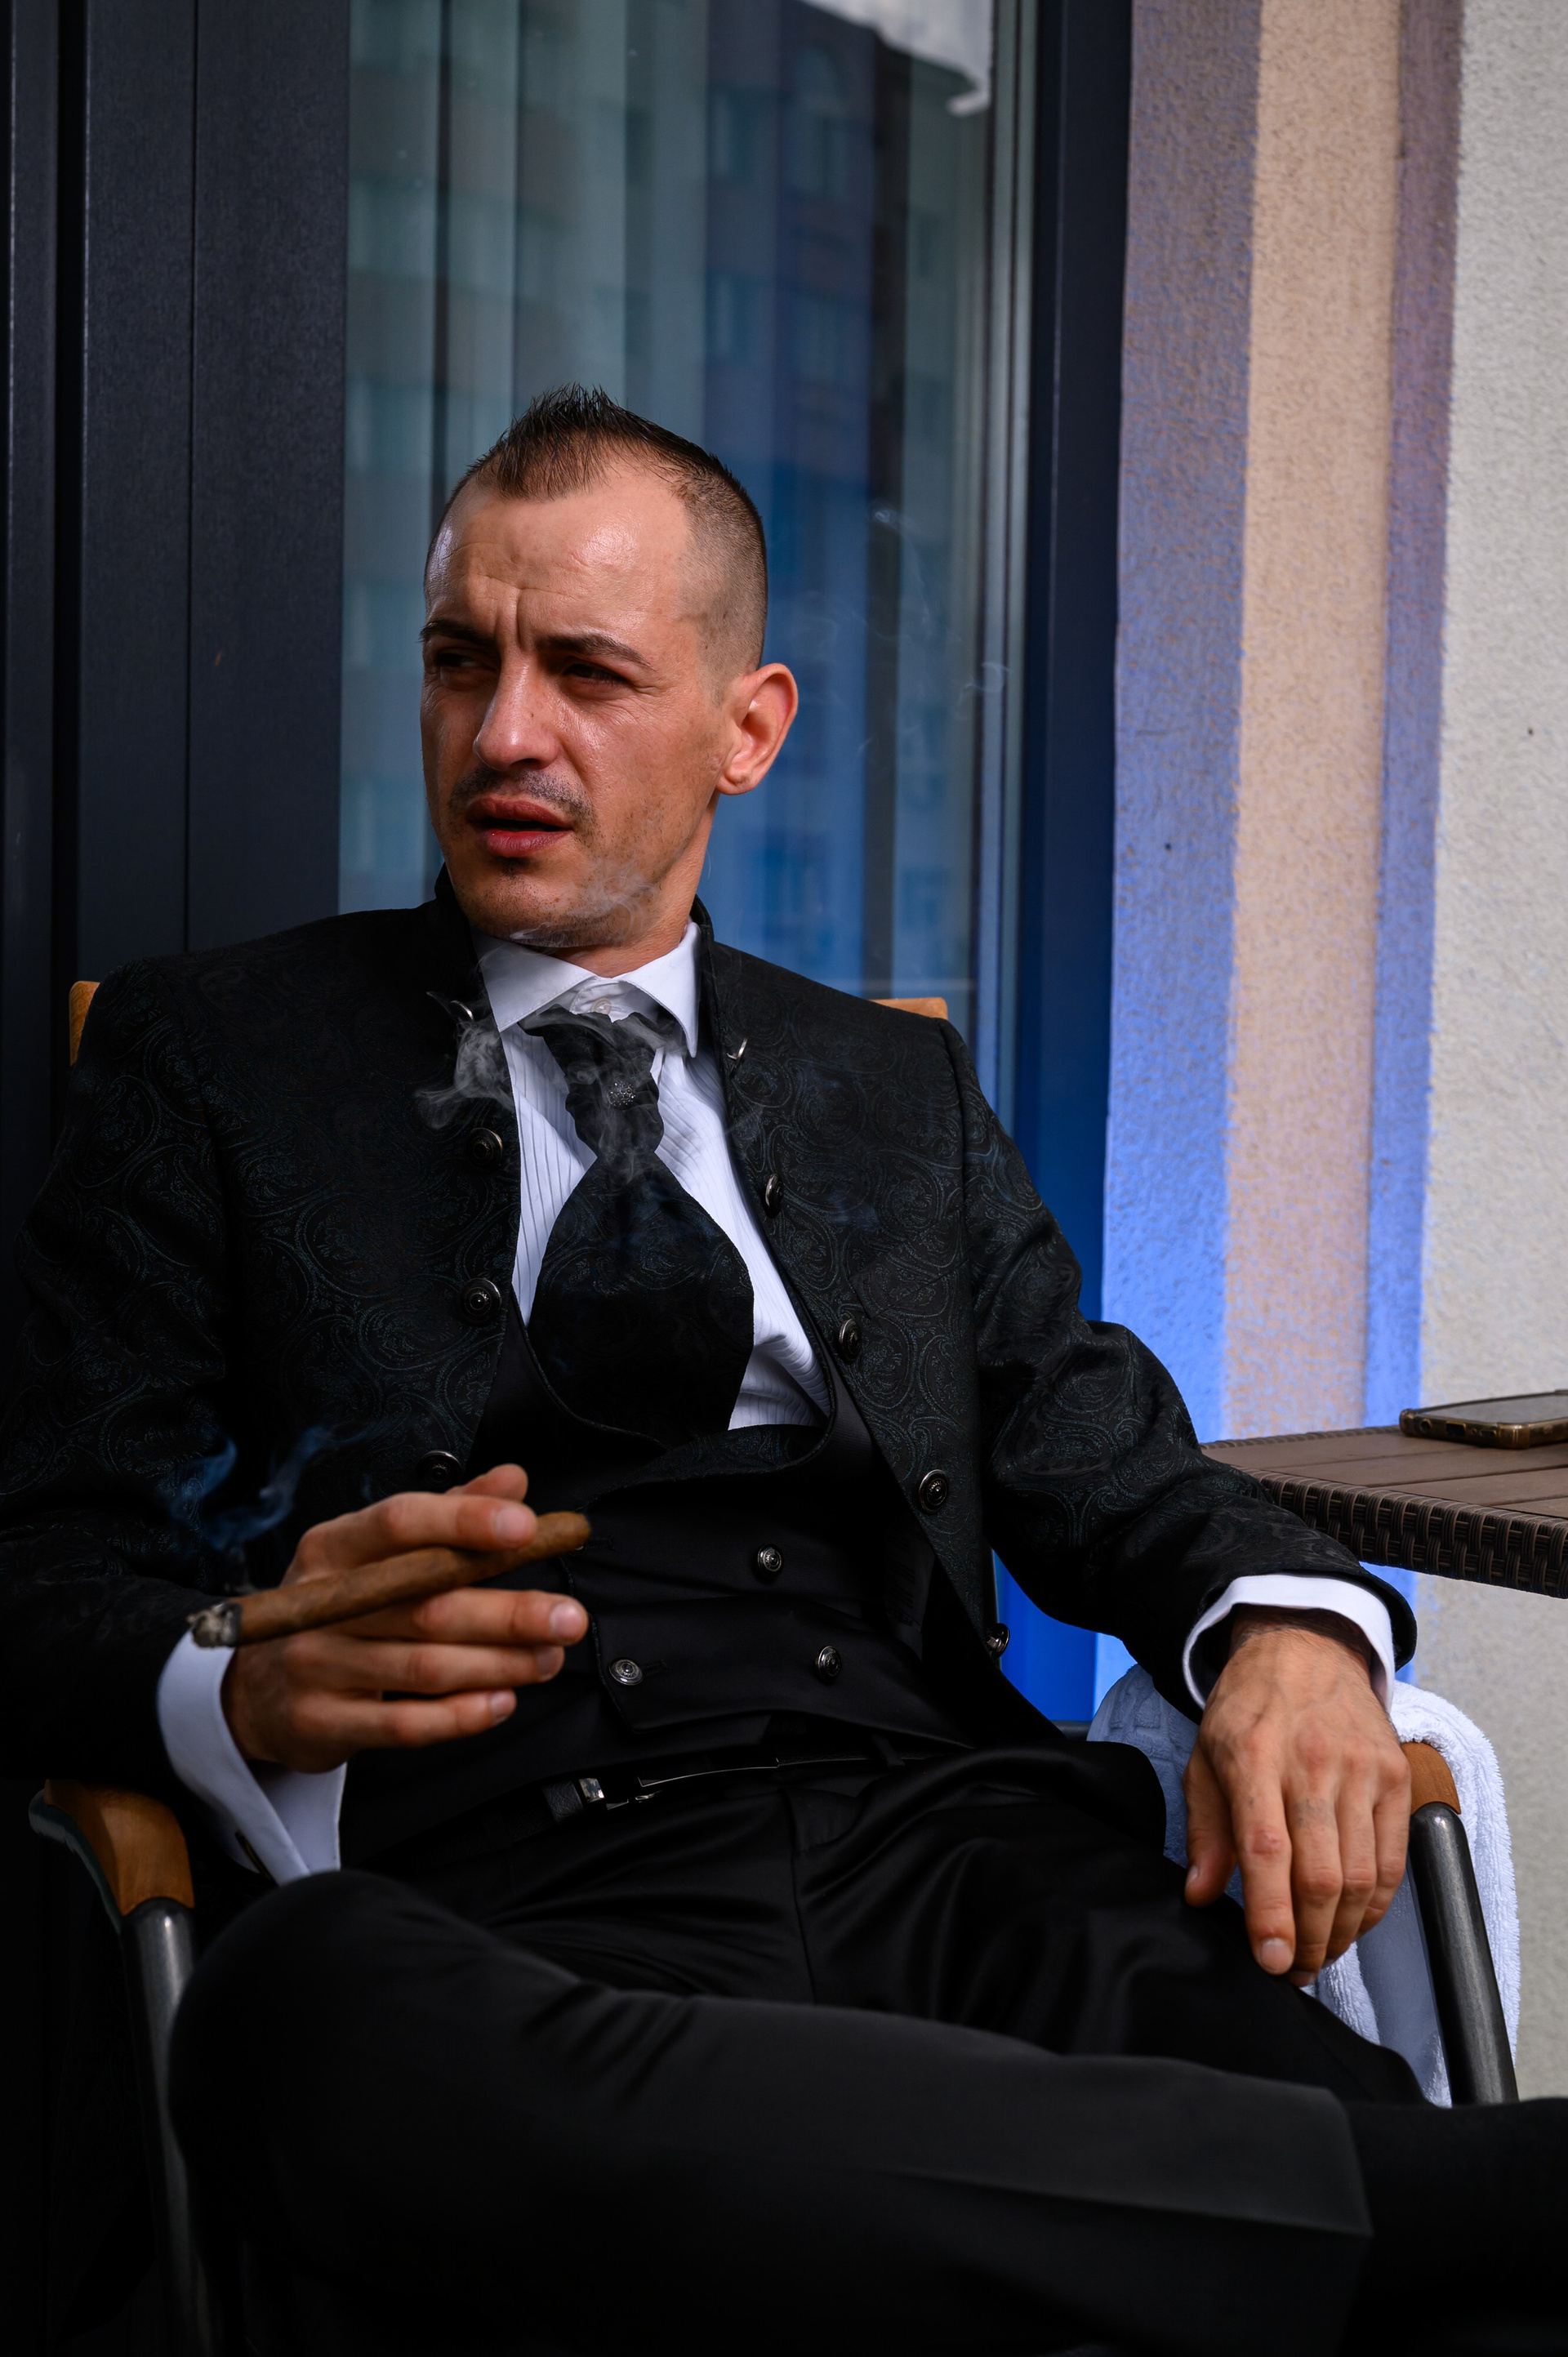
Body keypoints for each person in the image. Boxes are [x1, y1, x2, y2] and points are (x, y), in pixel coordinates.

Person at [2, 387, 1563, 2357]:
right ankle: (1468, 2200)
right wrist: (230, 1671)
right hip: (495, 1890)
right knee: (293, 2026)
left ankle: (1183, 2204)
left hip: (957, 1848)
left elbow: (1108, 1452)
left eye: (586, 674)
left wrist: (1293, 1632)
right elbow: (45, 1562)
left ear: (749, 730)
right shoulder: (211, 1056)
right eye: (461, 662)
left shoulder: (888, 1087)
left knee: (1354, 2206)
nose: (503, 734)